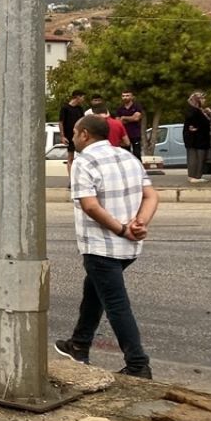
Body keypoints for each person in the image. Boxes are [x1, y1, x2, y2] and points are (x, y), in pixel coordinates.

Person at [53, 115, 158, 380]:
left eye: (75, 133)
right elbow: (151, 195)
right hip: (129, 248)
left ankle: (137, 364)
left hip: (101, 247)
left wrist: (122, 229)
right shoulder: (127, 157)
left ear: (85, 134)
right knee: (94, 291)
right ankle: (79, 344)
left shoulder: (83, 162)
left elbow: (90, 205)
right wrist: (140, 223)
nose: (72, 138)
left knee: (115, 304)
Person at [182, 91, 211, 184]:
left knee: (199, 157)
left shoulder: (199, 110)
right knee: (195, 158)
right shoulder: (193, 110)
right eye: (202, 98)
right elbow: (194, 122)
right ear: (197, 100)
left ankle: (196, 176)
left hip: (199, 139)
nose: (204, 100)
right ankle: (194, 176)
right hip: (196, 139)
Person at [58, 91, 86, 176]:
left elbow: (83, 121)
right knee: (70, 158)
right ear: (77, 97)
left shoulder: (80, 109)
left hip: (79, 136)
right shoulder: (65, 108)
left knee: (82, 157)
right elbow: (60, 122)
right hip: (69, 137)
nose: (83, 99)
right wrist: (62, 136)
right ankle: (71, 179)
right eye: (82, 97)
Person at [114, 91, 145, 160]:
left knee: (137, 154)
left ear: (132, 97)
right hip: (124, 135)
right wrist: (131, 118)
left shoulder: (137, 106)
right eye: (123, 96)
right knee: (125, 154)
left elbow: (136, 118)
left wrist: (124, 118)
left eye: (127, 95)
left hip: (135, 134)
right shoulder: (120, 108)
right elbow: (118, 121)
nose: (125, 97)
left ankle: (138, 169)